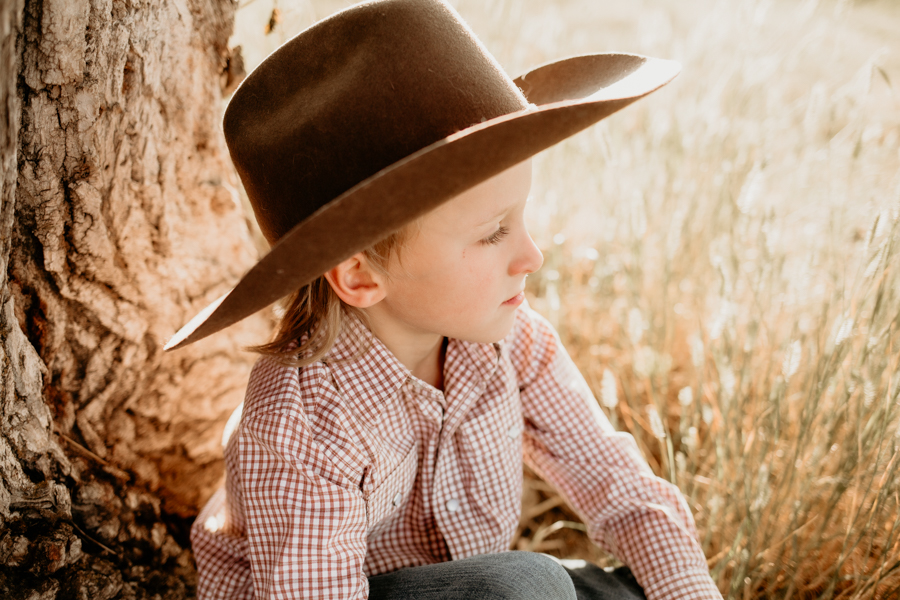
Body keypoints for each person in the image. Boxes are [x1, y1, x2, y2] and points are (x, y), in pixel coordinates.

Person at [169, 0, 724, 598]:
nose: (531, 257)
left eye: (521, 218)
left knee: (630, 587)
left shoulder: (512, 337)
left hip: (475, 584)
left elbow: (620, 487)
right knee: (527, 585)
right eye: (492, 233)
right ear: (358, 277)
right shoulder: (299, 423)